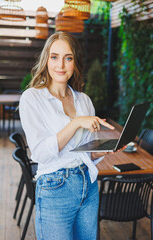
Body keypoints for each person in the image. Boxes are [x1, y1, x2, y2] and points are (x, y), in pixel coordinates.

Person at [19, 31, 115, 240]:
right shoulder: (32, 98)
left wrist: (105, 149)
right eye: (54, 57)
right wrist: (75, 123)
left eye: (68, 58)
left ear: (75, 63)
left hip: (88, 186)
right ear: (46, 60)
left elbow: (84, 152)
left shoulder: (84, 101)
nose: (60, 65)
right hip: (55, 189)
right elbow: (40, 154)